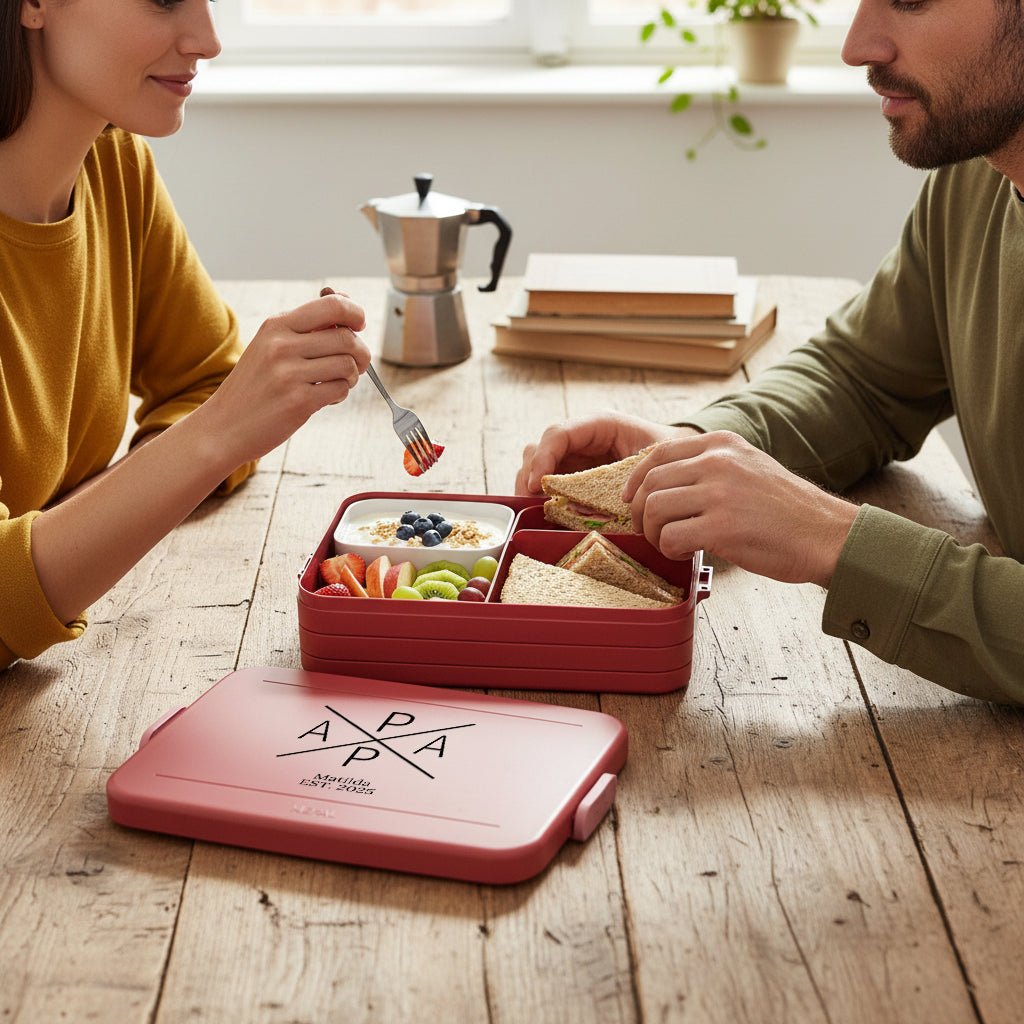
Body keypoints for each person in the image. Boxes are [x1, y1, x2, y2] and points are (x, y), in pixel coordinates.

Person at [516, 0, 1024, 705]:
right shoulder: (977, 181)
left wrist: (832, 539)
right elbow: (863, 378)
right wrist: (700, 450)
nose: (857, 45)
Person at [0, 0, 370, 669]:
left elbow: (208, 376)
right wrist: (219, 433)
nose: (209, 40)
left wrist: (77, 525)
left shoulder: (115, 169)